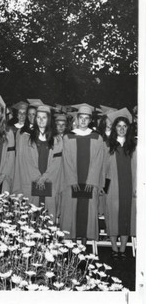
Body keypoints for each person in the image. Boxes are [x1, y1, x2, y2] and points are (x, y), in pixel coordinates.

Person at [59, 104, 104, 245]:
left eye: (86, 118)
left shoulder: (97, 138)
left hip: (90, 183)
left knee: (87, 214)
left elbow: (98, 161)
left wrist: (91, 180)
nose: (84, 121)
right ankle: (72, 246)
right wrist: (72, 180)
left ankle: (84, 246)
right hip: (72, 183)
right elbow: (66, 160)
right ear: (77, 119)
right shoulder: (68, 137)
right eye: (81, 118)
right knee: (72, 213)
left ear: (90, 120)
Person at [13, 105, 63, 220]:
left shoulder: (57, 139)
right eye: (38, 117)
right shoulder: (26, 138)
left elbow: (57, 163)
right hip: (31, 181)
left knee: (48, 216)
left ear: (48, 119)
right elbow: (25, 162)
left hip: (50, 181)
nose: (40, 120)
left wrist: (44, 177)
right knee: (31, 216)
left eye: (44, 117)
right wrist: (37, 177)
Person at [103, 108, 136, 259]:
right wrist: (104, 188)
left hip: (129, 187)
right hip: (112, 187)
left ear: (128, 128)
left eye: (124, 126)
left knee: (126, 216)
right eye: (119, 126)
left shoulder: (134, 146)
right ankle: (114, 248)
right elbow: (102, 169)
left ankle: (123, 249)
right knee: (113, 216)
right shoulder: (108, 145)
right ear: (114, 128)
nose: (122, 129)